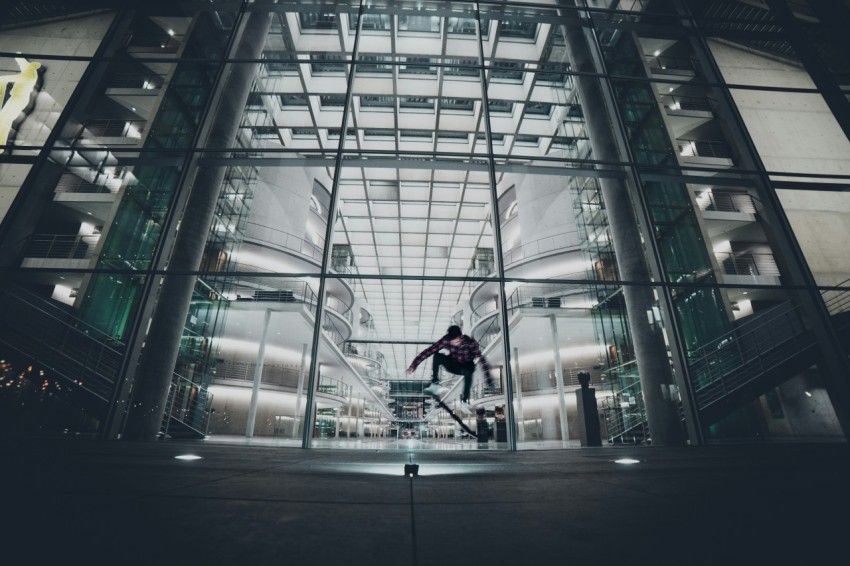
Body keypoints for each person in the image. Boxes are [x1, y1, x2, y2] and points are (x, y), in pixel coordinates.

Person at [406, 325, 494, 415]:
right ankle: (435, 383)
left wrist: (488, 378)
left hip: (467, 366)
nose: (454, 344)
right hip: (453, 364)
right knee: (437, 356)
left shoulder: (470, 343)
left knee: (468, 372)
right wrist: (414, 365)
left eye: (456, 341)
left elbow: (482, 360)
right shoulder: (446, 340)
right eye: (452, 342)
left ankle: (464, 401)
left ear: (461, 337)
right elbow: (429, 351)